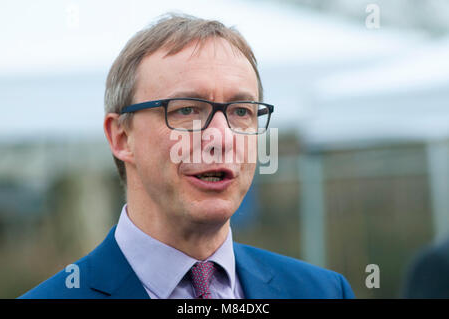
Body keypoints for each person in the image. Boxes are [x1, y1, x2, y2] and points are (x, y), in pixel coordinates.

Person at [20, 13, 354, 299]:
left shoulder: (322, 291)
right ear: (121, 136)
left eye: (241, 111)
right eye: (187, 110)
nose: (221, 137)